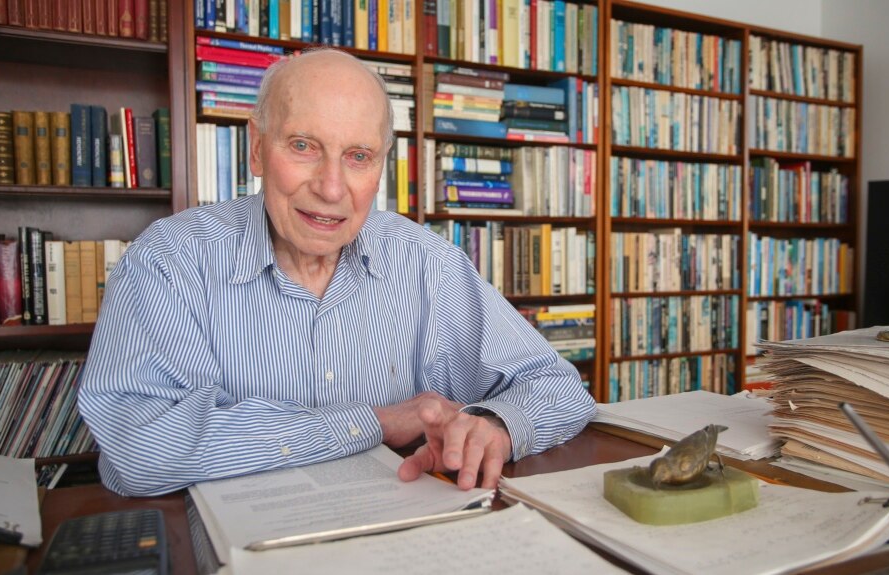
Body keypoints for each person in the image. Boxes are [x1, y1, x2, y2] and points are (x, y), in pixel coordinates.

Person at [78, 48, 595, 497]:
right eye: (303, 146)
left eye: (358, 156)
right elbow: (137, 449)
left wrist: (496, 427)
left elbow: (559, 388)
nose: (331, 188)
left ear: (381, 167)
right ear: (257, 147)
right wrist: (374, 423)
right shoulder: (170, 262)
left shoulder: (428, 263)